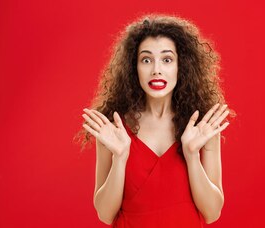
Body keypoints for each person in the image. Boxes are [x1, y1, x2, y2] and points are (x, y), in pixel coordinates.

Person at [78, 14, 234, 227]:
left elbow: (212, 213)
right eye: (146, 59)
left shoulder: (202, 128)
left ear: (182, 66)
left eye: (167, 59)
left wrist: (191, 156)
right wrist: (120, 158)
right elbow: (105, 214)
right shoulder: (114, 128)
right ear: (134, 67)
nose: (156, 70)